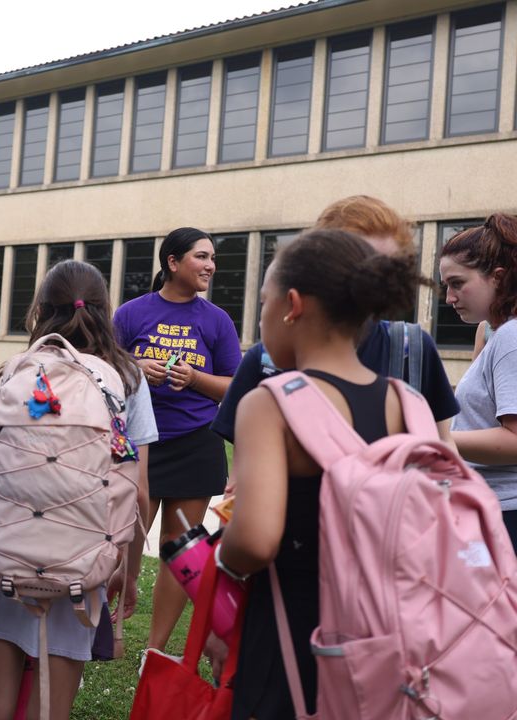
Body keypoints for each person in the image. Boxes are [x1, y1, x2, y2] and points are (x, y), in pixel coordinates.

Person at [218, 228, 427, 718]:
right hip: (387, 635)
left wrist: (220, 561)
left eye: (264, 301)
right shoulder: (409, 402)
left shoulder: (269, 404)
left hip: (295, 632)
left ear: (292, 304)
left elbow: (255, 541)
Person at [0, 259, 157, 720]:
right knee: (50, 706)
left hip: (8, 553)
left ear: (40, 310)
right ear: (103, 309)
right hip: (84, 559)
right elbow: (140, 492)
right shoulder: (126, 377)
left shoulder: (16, 371)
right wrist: (126, 571)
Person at [212, 195, 458, 445]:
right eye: (352, 267)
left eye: (385, 270)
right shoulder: (266, 359)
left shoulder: (413, 350)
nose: (372, 283)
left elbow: (442, 445)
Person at [113, 227, 243, 657]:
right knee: (125, 539)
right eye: (201, 257)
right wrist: (136, 365)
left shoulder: (216, 320)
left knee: (179, 550)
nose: (210, 266)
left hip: (196, 444)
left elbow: (234, 388)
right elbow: (100, 367)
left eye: (212, 259)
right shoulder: (131, 313)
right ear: (172, 262)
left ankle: (154, 650)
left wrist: (195, 378)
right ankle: (105, 629)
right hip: (140, 445)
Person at [439, 213, 517, 550]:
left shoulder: (511, 336)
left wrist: (435, 438)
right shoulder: (493, 332)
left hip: (504, 515)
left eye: (457, 283)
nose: (449, 298)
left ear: (498, 277)